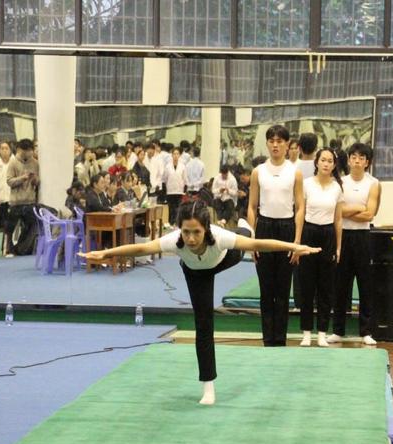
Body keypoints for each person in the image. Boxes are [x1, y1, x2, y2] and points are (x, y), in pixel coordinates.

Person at [79, 200, 320, 405]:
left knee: (245, 238)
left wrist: (294, 246)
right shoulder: (175, 241)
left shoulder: (220, 237)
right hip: (196, 272)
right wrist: (106, 253)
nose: (191, 238)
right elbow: (141, 248)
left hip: (225, 258)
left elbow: (259, 245)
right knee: (203, 324)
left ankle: (244, 226)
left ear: (207, 229)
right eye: (186, 232)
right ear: (179, 230)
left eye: (197, 232)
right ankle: (208, 386)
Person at [247, 125, 305, 347]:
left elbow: (300, 207)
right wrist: (252, 241)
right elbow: (252, 207)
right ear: (267, 143)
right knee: (266, 289)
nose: (275, 145)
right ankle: (267, 339)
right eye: (271, 140)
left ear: (287, 144)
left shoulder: (295, 172)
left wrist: (297, 241)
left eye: (280, 141)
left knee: (282, 288)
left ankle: (280, 339)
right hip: (264, 228)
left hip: (286, 229)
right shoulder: (258, 171)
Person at [328, 143, 381, 346]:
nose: (357, 160)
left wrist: (349, 210)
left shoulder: (373, 183)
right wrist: (358, 207)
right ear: (348, 159)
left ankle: (366, 331)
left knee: (366, 284)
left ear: (367, 162)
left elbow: (370, 213)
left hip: (363, 237)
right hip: (342, 235)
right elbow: (335, 212)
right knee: (341, 284)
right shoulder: (340, 182)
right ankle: (338, 330)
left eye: (361, 157)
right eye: (354, 157)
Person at [297, 148, 344, 348]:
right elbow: (299, 212)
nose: (326, 164)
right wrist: (297, 242)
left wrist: (339, 247)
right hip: (308, 233)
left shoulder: (337, 188)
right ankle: (307, 332)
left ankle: (322, 332)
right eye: (323, 160)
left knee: (326, 287)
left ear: (334, 165)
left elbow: (338, 220)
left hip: (327, 236)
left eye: (330, 161)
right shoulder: (306, 184)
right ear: (316, 162)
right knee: (307, 285)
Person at [5, 138, 39, 257]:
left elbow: (38, 182)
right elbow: (9, 181)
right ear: (20, 150)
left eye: (30, 150)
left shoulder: (35, 163)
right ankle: (8, 249)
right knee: (10, 228)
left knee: (30, 227)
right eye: (26, 151)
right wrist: (22, 178)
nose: (29, 153)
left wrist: (35, 180)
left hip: (30, 201)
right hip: (16, 202)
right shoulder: (13, 162)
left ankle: (21, 249)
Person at [163, 147, 187, 227]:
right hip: (170, 191)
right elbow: (165, 178)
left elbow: (185, 178)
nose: (176, 156)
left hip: (179, 191)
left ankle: (177, 224)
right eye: (174, 154)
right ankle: (170, 223)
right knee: (171, 208)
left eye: (177, 154)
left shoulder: (183, 166)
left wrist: (184, 190)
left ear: (179, 155)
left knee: (178, 209)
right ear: (172, 155)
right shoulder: (167, 166)